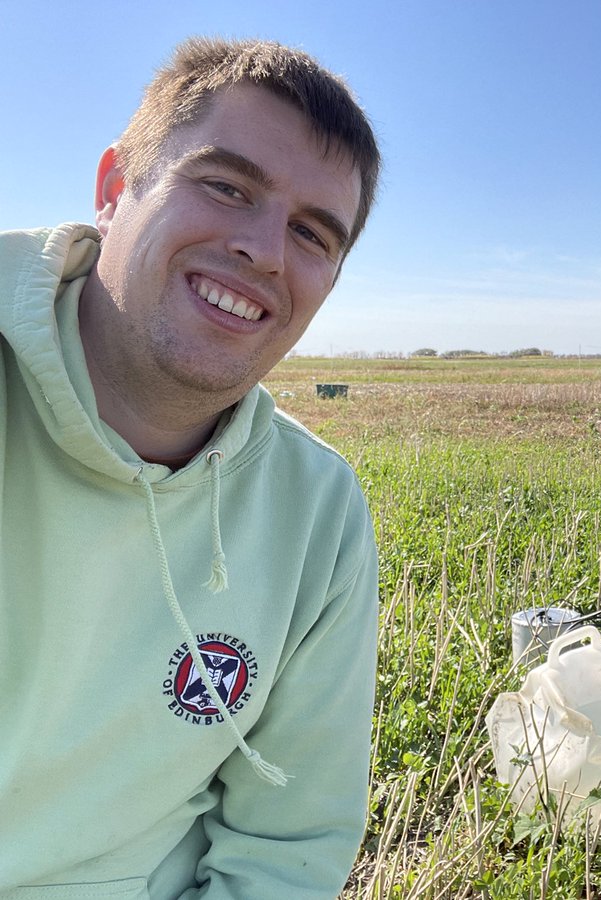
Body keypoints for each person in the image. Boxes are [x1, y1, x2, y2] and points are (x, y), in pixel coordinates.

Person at [0, 38, 382, 896]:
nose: (265, 252)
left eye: (313, 234)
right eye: (226, 186)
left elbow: (289, 845)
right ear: (113, 189)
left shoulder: (318, 514)